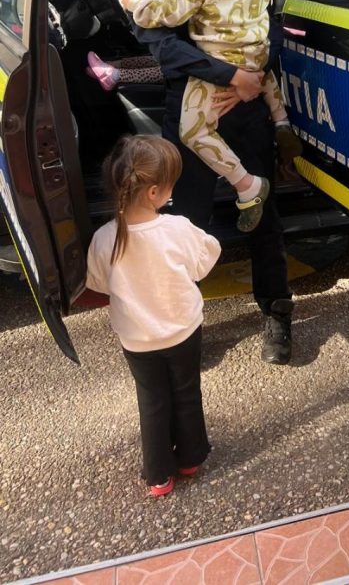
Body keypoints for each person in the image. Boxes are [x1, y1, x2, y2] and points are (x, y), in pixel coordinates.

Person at [126, 0, 294, 365]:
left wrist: (253, 72)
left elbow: (273, 22)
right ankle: (182, 325)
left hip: (242, 105)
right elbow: (160, 44)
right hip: (193, 104)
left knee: (265, 213)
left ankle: (276, 310)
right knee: (186, 221)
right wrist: (231, 76)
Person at [124, 0, 301, 233]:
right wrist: (241, 76)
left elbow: (167, 17)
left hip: (215, 89)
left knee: (193, 135)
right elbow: (262, 24)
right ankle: (282, 121)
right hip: (246, 71)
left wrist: (134, 4)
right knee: (193, 216)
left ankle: (248, 186)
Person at [86, 135, 221, 498]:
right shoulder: (177, 229)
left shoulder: (104, 239)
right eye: (171, 186)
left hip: (136, 339)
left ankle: (158, 475)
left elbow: (99, 281)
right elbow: (205, 259)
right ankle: (191, 457)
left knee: (152, 400)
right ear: (154, 192)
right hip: (182, 330)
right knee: (186, 393)